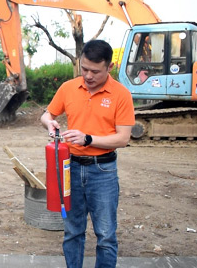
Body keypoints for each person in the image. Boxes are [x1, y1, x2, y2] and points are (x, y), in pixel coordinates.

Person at [40, 39, 135, 268]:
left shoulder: (121, 95)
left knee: (105, 234)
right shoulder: (68, 88)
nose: (88, 76)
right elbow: (46, 115)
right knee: (72, 231)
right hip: (70, 168)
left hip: (103, 171)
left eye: (95, 71)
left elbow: (123, 138)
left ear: (109, 67)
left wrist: (88, 139)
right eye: (84, 69)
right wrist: (49, 123)